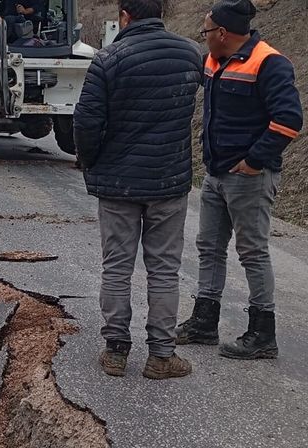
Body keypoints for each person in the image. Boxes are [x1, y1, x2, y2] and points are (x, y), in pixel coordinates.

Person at [73, 0, 203, 379]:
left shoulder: (109, 59)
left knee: (117, 266)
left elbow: (86, 120)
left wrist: (91, 162)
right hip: (169, 181)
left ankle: (116, 351)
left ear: (125, 16)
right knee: (164, 270)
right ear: (162, 14)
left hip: (117, 184)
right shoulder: (190, 54)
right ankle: (161, 355)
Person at [177, 0, 303, 360]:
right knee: (209, 248)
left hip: (249, 177)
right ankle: (204, 322)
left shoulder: (269, 62)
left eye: (205, 32)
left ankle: (262, 333)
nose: (203, 39)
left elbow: (289, 120)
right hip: (216, 173)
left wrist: (254, 160)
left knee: (252, 252)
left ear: (222, 33)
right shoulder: (213, 61)